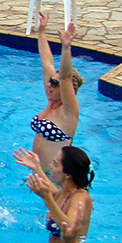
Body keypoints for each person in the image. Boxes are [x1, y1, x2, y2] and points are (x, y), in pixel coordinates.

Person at [13, 145, 94, 243]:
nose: (51, 166)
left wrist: (47, 199)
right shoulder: (65, 192)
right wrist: (36, 168)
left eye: (55, 164)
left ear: (67, 174)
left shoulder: (80, 198)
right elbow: (54, 194)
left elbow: (70, 228)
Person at [30, 14, 81, 171]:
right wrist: (41, 32)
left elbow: (65, 78)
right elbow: (47, 63)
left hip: (57, 180)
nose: (49, 85)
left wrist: (66, 48)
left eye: (54, 83)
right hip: (38, 175)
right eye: (50, 81)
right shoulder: (51, 102)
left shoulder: (68, 113)